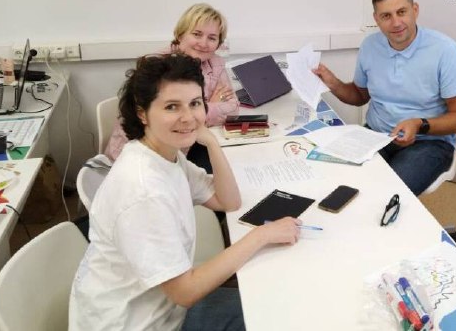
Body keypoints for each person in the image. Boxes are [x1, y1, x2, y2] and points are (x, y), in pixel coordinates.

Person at [69, 54, 300, 331]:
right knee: (278, 316)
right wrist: (261, 235)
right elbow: (185, 292)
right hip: (139, 323)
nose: (189, 117)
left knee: (275, 305)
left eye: (195, 103)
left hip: (162, 308)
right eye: (172, 107)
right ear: (142, 113)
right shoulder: (144, 190)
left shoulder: (164, 154)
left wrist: (211, 143)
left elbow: (228, 201)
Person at [313, 0, 456, 195]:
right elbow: (359, 96)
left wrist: (419, 124)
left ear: (415, 10)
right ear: (376, 19)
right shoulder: (370, 46)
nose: (396, 23)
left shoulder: (445, 51)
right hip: (377, 135)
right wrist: (333, 83)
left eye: (401, 12)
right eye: (386, 16)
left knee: (385, 193)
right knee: (332, 180)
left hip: (429, 142)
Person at [105, 3, 239, 172]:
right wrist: (209, 105)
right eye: (197, 34)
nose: (203, 43)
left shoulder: (215, 63)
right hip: (143, 154)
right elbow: (149, 120)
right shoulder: (156, 66)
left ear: (218, 44)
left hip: (185, 144)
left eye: (212, 38)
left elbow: (233, 108)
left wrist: (202, 110)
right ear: (180, 34)